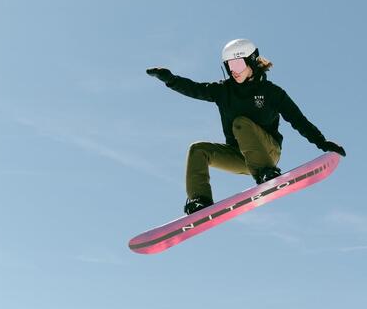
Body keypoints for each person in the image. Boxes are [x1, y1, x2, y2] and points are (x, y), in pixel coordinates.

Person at [147, 38, 346, 215]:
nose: (233, 69)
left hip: (268, 153)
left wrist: (322, 142)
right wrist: (170, 80)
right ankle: (201, 201)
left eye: (238, 63)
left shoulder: (272, 93)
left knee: (240, 123)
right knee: (198, 149)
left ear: (252, 62)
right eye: (228, 65)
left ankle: (265, 172)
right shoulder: (223, 90)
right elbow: (195, 89)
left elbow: (298, 120)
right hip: (240, 156)